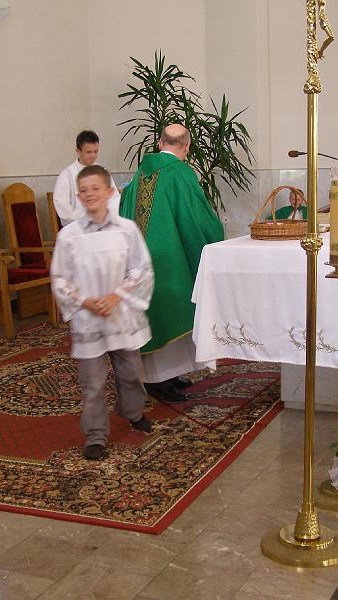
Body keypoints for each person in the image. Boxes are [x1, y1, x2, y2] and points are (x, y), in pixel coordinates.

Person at [50, 164, 154, 461]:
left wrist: (116, 296)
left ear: (110, 192)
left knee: (131, 372)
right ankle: (96, 434)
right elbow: (60, 277)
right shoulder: (69, 236)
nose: (89, 194)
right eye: (83, 190)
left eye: (95, 188)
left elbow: (141, 270)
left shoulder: (127, 230)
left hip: (121, 315)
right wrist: (82, 301)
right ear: (78, 197)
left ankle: (133, 411)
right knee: (92, 383)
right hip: (88, 320)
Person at [120, 124, 224, 403]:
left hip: (140, 259)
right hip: (169, 260)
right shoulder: (180, 173)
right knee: (175, 309)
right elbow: (196, 219)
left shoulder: (140, 174)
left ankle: (166, 374)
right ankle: (158, 380)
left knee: (158, 315)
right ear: (187, 146)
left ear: (159, 142)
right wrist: (214, 238)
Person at [53, 130, 121, 226]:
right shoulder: (66, 176)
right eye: (88, 152)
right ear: (78, 152)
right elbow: (65, 211)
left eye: (95, 151)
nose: (93, 156)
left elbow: (115, 201)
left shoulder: (103, 172)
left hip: (105, 226)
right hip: (78, 228)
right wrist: (91, 220)